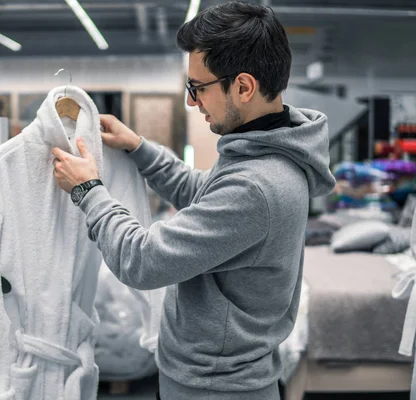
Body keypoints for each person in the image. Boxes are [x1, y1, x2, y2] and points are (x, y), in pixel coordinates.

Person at [51, 1, 336, 399]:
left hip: (215, 389)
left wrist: (88, 191)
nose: (191, 101)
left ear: (243, 86)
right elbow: (200, 192)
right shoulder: (265, 153)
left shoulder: (257, 185)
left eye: (197, 88)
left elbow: (143, 260)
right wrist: (139, 148)